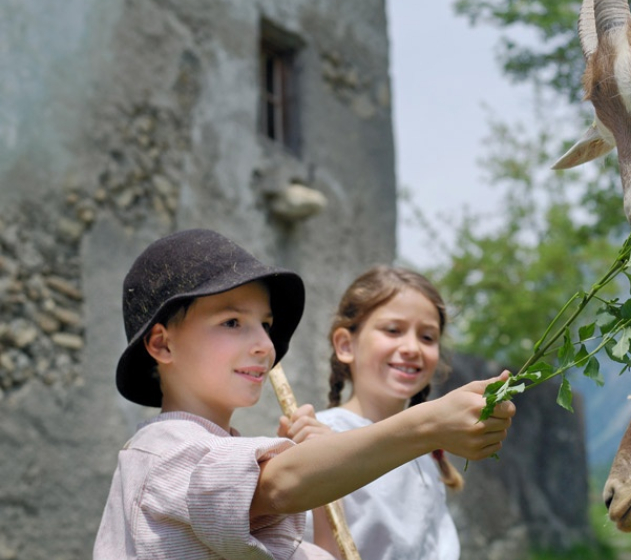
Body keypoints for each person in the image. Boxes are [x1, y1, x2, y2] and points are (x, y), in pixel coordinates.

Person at [93, 229, 515, 559]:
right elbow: (280, 486)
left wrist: (323, 502)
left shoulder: (230, 451)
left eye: (266, 324)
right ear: (163, 345)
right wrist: (428, 424)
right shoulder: (160, 453)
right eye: (232, 322)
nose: (265, 344)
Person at [283, 266, 470, 560]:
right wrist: (324, 469)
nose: (412, 348)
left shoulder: (424, 452)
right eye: (393, 330)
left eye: (428, 337)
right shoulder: (317, 438)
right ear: (346, 344)